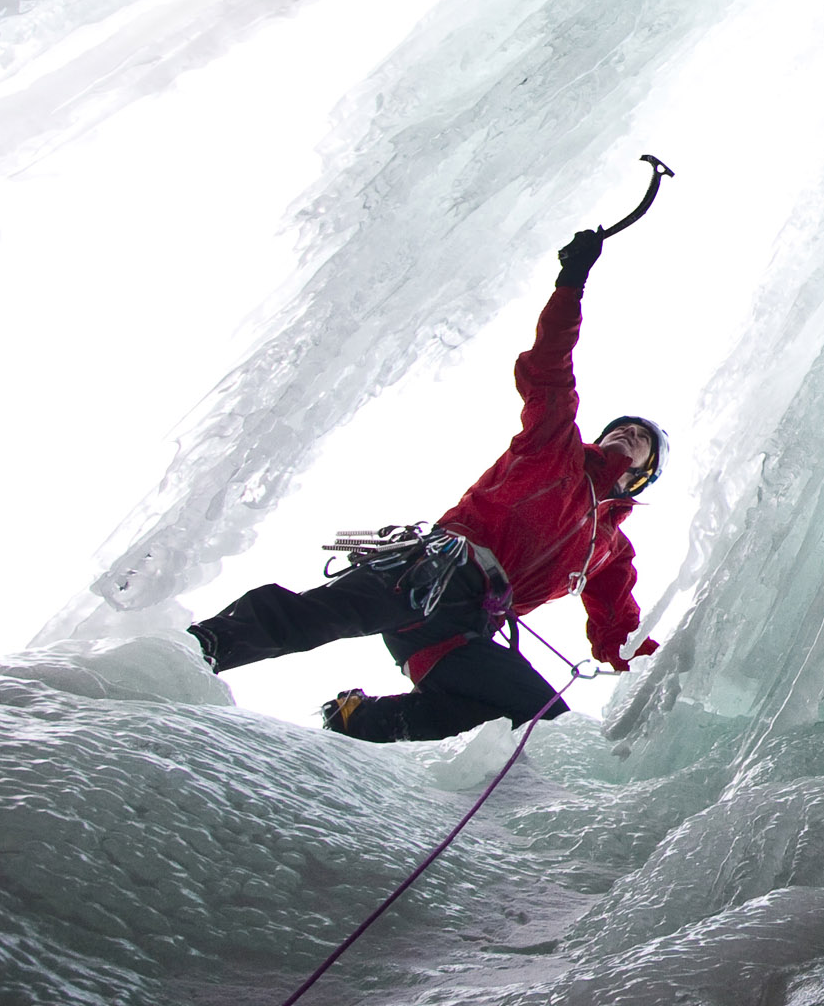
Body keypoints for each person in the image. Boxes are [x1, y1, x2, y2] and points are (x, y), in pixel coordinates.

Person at [189, 224, 666, 740]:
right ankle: (196, 649)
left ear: (642, 477)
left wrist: (672, 677)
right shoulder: (557, 448)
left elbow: (619, 631)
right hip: (434, 569)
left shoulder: (611, 552)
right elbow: (549, 368)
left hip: (464, 630)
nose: (627, 432)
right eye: (622, 427)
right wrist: (572, 281)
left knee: (537, 720)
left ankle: (357, 723)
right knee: (319, 616)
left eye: (641, 438)